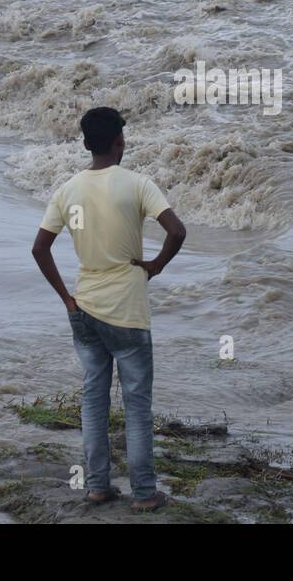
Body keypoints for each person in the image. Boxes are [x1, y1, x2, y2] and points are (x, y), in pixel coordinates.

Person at [30, 107, 186, 512]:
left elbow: (39, 248)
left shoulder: (68, 190)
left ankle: (98, 485)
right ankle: (145, 493)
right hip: (128, 312)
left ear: (85, 144)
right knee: (136, 403)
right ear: (120, 142)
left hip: (85, 306)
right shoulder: (136, 184)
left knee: (93, 399)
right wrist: (155, 265)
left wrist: (67, 298)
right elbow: (177, 230)